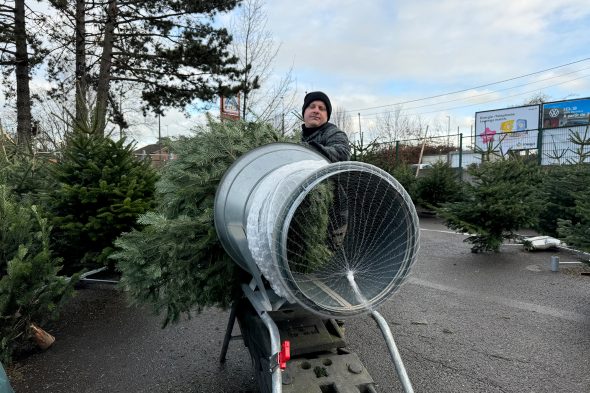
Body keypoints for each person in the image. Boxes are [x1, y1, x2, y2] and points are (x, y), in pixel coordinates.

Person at [300, 91, 351, 162]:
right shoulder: (299, 137)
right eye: (312, 107)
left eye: (321, 108)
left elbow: (341, 154)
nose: (316, 111)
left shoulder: (335, 133)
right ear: (304, 112)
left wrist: (305, 149)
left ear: (327, 116)